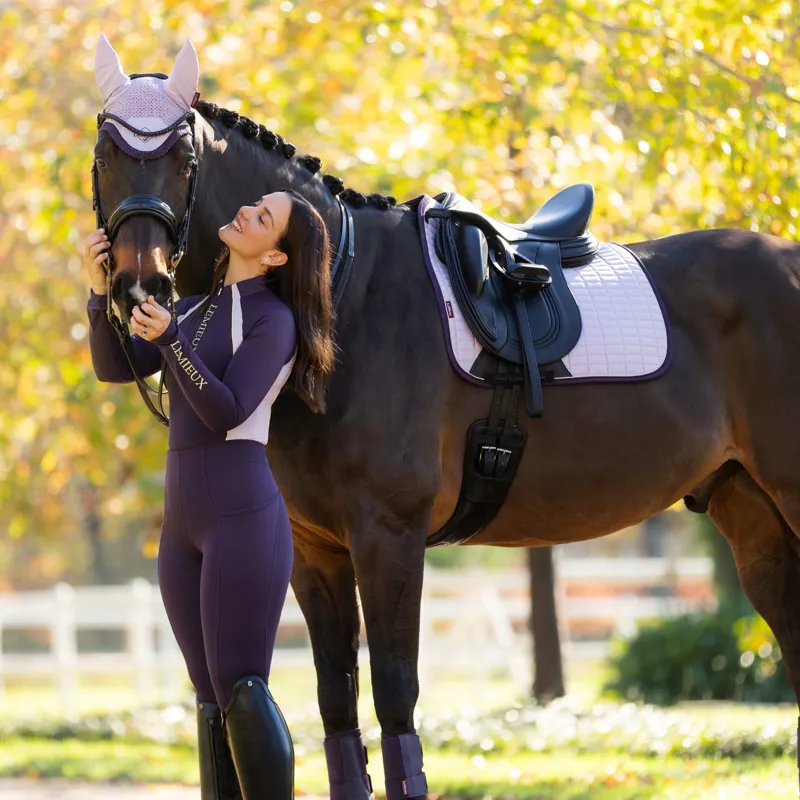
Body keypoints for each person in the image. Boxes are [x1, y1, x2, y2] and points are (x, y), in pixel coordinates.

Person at [84, 189, 335, 799]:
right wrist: (98, 292)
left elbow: (226, 411)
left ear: (275, 258)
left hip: (242, 517)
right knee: (209, 700)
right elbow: (116, 367)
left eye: (263, 217)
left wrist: (172, 341)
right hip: (183, 526)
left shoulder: (275, 323)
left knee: (242, 687)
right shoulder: (193, 309)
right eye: (256, 205)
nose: (247, 211)